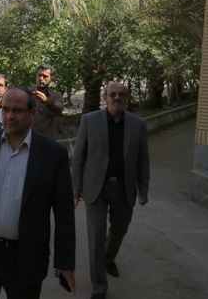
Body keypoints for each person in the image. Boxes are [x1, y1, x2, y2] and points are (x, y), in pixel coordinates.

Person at [0, 87, 77, 298]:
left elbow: (64, 213)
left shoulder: (52, 154)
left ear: (32, 113)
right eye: (5, 109)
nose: (9, 116)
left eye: (17, 110)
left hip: (25, 257)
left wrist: (65, 262)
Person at [71, 82, 150, 299]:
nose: (117, 98)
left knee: (119, 230)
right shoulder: (89, 120)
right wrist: (76, 186)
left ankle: (108, 257)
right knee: (96, 238)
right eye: (112, 94)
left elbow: (143, 159)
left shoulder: (138, 124)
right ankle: (99, 287)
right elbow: (79, 156)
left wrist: (143, 188)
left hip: (124, 187)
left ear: (127, 98)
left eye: (121, 94)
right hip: (96, 187)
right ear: (105, 97)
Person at [30, 64, 63, 139]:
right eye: (39, 75)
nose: (41, 78)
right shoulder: (28, 94)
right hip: (31, 138)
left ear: (51, 78)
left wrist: (46, 102)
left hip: (49, 139)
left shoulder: (56, 96)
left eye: (45, 76)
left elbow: (59, 111)